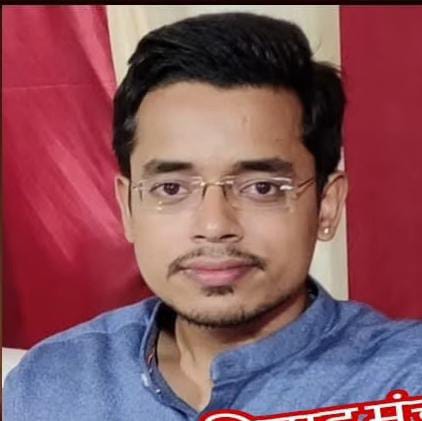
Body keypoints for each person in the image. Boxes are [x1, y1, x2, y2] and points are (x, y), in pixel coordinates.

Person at [4, 12, 422, 421]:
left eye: (261, 188)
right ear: (128, 206)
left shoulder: (405, 379)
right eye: (171, 189)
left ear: (326, 206)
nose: (214, 226)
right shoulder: (50, 384)